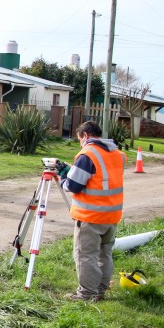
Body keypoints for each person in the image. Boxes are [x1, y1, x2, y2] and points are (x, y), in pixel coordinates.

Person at [58, 121, 126, 302]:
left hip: (91, 216)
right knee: (105, 254)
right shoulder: (116, 154)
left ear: (85, 136)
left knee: (86, 256)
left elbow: (74, 186)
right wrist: (73, 171)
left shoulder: (87, 154)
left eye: (79, 139)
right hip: (111, 215)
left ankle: (86, 294)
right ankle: (99, 292)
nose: (80, 144)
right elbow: (99, 178)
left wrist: (63, 179)